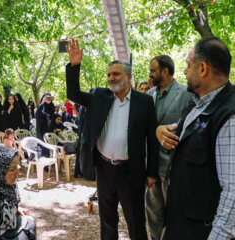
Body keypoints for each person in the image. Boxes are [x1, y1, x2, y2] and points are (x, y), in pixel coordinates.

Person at [66, 38, 158, 240]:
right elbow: (72, 93)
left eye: (116, 74)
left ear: (129, 76)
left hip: (131, 171)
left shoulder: (144, 102)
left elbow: (152, 139)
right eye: (108, 75)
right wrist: (74, 66)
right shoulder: (99, 96)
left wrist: (151, 172)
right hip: (104, 169)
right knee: (107, 221)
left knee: (135, 221)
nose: (111, 78)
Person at [157, 37, 235, 240]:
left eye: (187, 65)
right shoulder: (197, 103)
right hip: (179, 224)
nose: (184, 72)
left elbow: (233, 192)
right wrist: (160, 131)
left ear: (202, 69)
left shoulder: (230, 116)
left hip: (202, 231)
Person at [145, 55, 193, 240]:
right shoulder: (149, 95)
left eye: (152, 70)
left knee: (173, 217)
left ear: (165, 71)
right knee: (153, 215)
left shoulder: (186, 93)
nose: (149, 75)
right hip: (151, 169)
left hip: (173, 168)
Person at [0, 145, 36, 240]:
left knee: (30, 222)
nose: (17, 173)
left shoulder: (7, 186)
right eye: (12, 169)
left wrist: (15, 208)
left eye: (17, 167)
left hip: (9, 231)